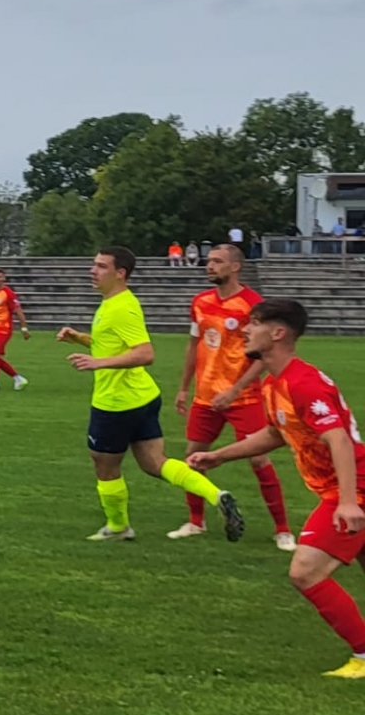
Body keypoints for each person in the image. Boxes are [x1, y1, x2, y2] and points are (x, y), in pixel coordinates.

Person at [188, 300, 365, 679]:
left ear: (278, 332)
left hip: (354, 488)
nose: (245, 331)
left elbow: (338, 439)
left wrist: (349, 502)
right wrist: (219, 456)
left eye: (255, 324)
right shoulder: (273, 383)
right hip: (344, 488)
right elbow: (274, 433)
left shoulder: (303, 383)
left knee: (305, 572)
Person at [55, 246, 240, 542]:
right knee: (155, 462)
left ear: (120, 273)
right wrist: (81, 339)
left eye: (101, 266)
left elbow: (145, 353)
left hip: (116, 402)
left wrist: (98, 363)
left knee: (104, 464)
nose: (93, 270)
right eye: (94, 264)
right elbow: (115, 346)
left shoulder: (121, 308)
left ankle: (118, 527)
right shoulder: (115, 302)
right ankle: (217, 495)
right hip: (142, 397)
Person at [170, 243, 294, 548]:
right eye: (209, 260)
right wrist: (184, 387)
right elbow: (193, 345)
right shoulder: (200, 302)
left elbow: (265, 355)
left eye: (217, 261)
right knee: (193, 457)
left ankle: (283, 530)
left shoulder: (253, 306)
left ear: (235, 267)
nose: (209, 265)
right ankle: (195, 521)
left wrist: (234, 389)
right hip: (205, 397)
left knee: (259, 459)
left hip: (244, 398)